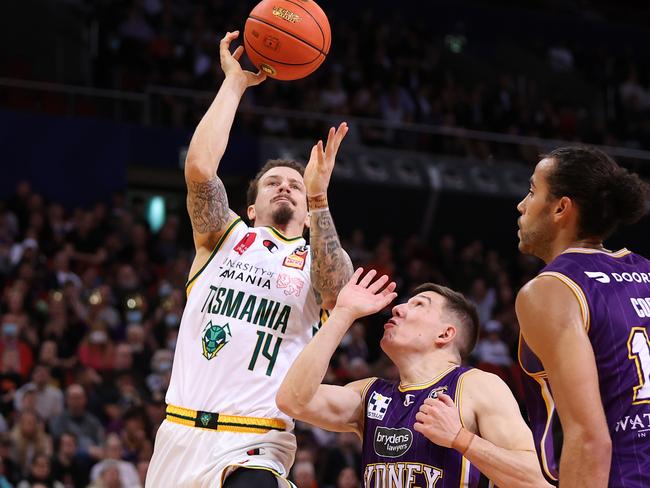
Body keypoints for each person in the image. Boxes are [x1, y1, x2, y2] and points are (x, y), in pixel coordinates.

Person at [146, 30, 353, 488]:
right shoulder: (222, 237)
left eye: (296, 185)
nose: (286, 185)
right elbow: (200, 169)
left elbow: (340, 293)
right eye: (273, 182)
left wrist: (319, 196)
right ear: (251, 208)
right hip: (178, 436)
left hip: (255, 442)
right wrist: (235, 84)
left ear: (307, 206)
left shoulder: (318, 252)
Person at [277, 269, 550, 487]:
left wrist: (461, 439)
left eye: (419, 304)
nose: (398, 309)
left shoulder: (476, 385)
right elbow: (292, 401)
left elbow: (536, 481)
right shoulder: (370, 394)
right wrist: (343, 314)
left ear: (445, 334)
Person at [515, 146, 650, 487]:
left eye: (532, 191)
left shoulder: (552, 289)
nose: (522, 205)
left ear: (561, 208)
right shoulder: (646, 271)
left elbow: (589, 439)